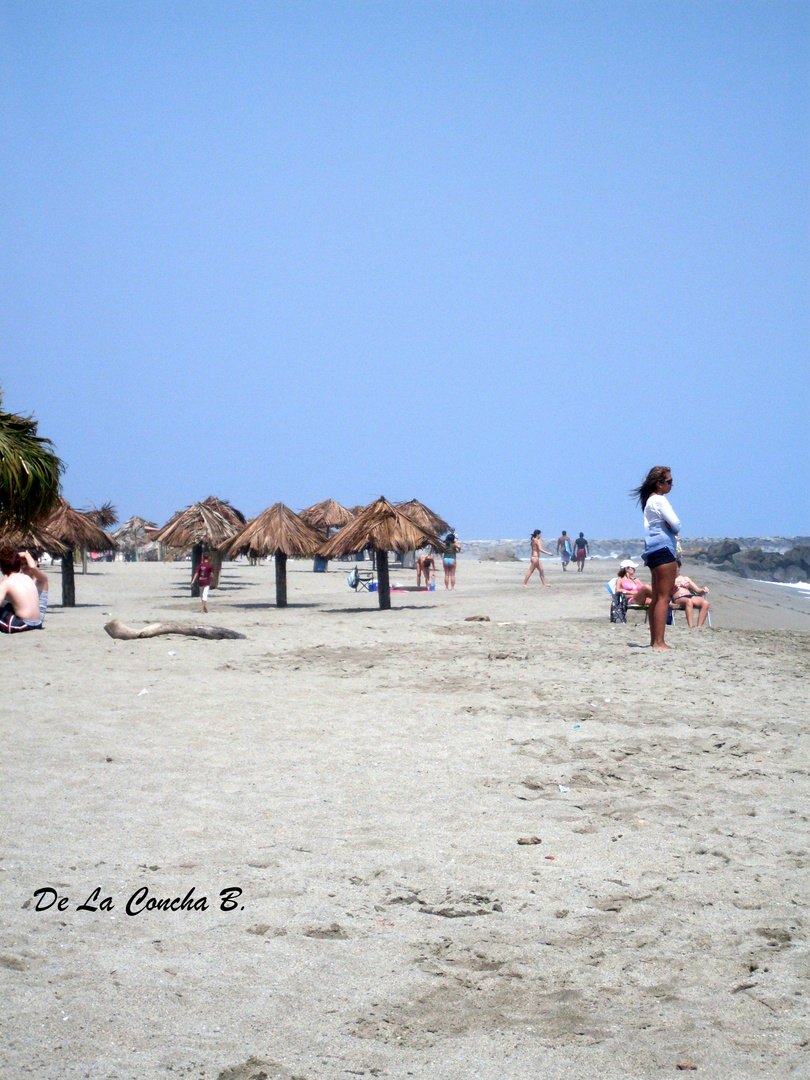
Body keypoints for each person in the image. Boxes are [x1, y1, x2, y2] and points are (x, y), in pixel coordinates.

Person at [631, 466, 680, 650]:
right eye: (668, 481)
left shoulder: (650, 501)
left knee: (658, 596)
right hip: (663, 549)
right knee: (663, 597)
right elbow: (676, 524)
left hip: (653, 549)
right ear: (659, 483)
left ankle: (655, 640)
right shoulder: (659, 500)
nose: (671, 485)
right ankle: (659, 642)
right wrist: (671, 526)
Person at [0, 546, 44, 632]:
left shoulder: (7, 583)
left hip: (22, 624)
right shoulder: (28, 578)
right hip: (38, 623)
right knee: (8, 605)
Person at [671, 560, 710, 628]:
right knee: (689, 601)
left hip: (690, 596)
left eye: (675, 567)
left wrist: (703, 590)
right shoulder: (668, 580)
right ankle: (691, 626)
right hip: (679, 598)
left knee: (705, 603)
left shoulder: (685, 578)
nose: (673, 569)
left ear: (679, 568)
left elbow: (697, 590)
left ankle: (699, 627)